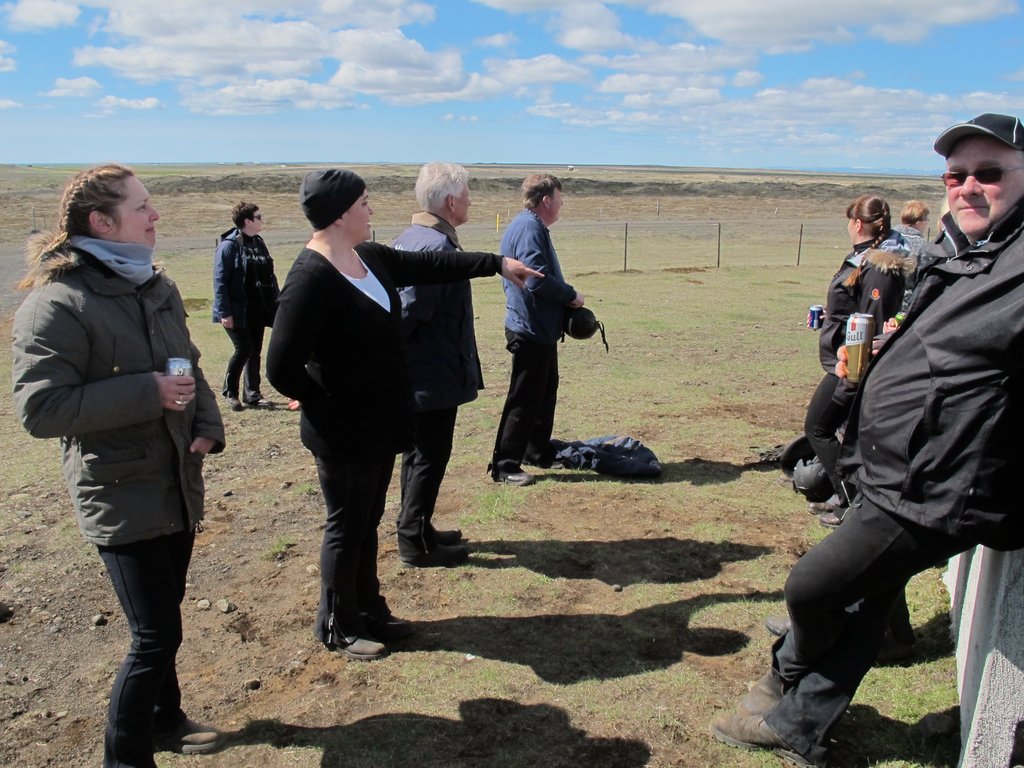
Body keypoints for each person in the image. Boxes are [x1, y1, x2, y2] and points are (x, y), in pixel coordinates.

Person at [711, 112, 1024, 768]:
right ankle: (799, 722)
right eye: (956, 175)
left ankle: (787, 669)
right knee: (864, 595)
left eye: (989, 173)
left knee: (813, 586)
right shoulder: (968, 248)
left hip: (939, 484)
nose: (968, 186)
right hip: (903, 467)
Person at [266, 169, 541, 661]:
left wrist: (497, 263)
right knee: (346, 525)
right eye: (364, 203)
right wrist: (325, 401)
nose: (371, 210)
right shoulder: (310, 277)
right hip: (342, 430)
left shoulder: (367, 257)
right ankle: (337, 624)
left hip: (377, 424)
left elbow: (432, 264)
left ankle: (369, 609)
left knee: (367, 520)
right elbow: (280, 367)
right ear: (341, 214)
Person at [11, 164, 226, 767]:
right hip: (118, 490)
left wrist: (206, 424)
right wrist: (148, 392)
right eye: (141, 207)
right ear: (101, 222)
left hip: (175, 478)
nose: (155, 215)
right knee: (154, 635)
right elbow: (41, 409)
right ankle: (125, 759)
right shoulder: (57, 304)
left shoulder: (153, 286)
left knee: (166, 619)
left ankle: (165, 718)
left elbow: (186, 363)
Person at [804, 196, 912, 527]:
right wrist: (831, 316)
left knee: (818, 427)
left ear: (857, 223)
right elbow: (855, 309)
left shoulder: (879, 268)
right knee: (837, 431)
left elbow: (869, 325)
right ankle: (844, 498)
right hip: (843, 360)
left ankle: (851, 502)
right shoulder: (862, 259)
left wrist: (852, 380)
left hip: (852, 367)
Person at [392, 162, 479, 568]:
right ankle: (414, 541)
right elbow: (409, 314)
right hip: (431, 373)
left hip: (422, 371)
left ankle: (418, 526)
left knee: (418, 454)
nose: (470, 202)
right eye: (466, 195)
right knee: (429, 455)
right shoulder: (437, 248)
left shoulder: (410, 238)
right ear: (451, 202)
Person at [489, 173, 583, 487]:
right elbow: (534, 278)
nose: (561, 203)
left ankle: (536, 450)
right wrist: (570, 295)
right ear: (546, 200)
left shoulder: (529, 225)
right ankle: (504, 465)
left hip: (538, 328)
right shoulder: (529, 228)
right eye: (559, 197)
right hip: (529, 328)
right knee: (525, 396)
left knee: (544, 391)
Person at [212, 200, 280, 411]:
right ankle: (230, 392)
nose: (262, 220)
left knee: (254, 351)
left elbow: (269, 275)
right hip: (237, 310)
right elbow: (220, 281)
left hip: (259, 308)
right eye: (258, 217)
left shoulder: (258, 243)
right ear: (247, 221)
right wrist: (224, 312)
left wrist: (276, 301)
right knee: (243, 349)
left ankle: (253, 395)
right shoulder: (229, 246)